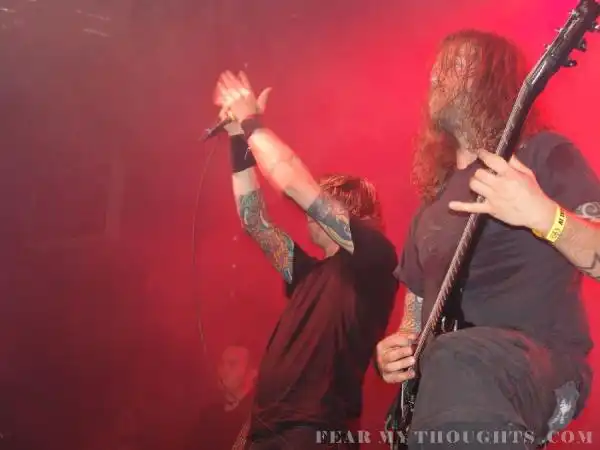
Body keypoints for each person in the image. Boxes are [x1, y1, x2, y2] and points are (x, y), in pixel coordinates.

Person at [375, 29, 600, 449]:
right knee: (450, 359)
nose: (435, 76)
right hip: (449, 389)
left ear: (491, 78)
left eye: (453, 65)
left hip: (540, 362)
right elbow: (415, 313)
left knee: (459, 355)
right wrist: (395, 352)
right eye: (435, 68)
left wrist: (545, 216)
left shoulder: (542, 156)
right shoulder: (429, 210)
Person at [213, 72, 399, 449]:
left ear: (346, 208)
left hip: (316, 433)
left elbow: (292, 179)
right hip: (267, 433)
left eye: (322, 200)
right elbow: (254, 221)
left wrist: (250, 121)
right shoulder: (307, 273)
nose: (307, 211)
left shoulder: (374, 258)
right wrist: (235, 136)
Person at [192, 345, 257, 450]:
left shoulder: (261, 417)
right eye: (222, 363)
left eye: (232, 364)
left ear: (253, 373)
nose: (223, 370)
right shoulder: (208, 415)